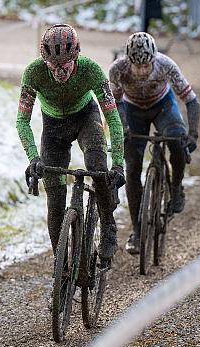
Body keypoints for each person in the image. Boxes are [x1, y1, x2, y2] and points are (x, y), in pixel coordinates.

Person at [16, 24, 125, 264]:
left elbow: (113, 119)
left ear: (76, 56)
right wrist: (34, 158)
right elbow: (22, 121)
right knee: (54, 199)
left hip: (86, 118)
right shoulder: (33, 73)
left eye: (65, 64)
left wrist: (117, 163)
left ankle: (108, 226)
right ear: (44, 60)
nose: (59, 71)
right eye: (53, 65)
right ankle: (61, 266)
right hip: (53, 128)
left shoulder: (91, 70)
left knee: (97, 167)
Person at [109, 32, 200, 254]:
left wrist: (193, 134)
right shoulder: (117, 69)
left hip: (162, 106)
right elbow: (114, 104)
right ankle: (138, 232)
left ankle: (176, 187)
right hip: (131, 110)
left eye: (146, 66)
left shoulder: (166, 65)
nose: (141, 72)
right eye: (136, 66)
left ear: (154, 59)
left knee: (177, 142)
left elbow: (191, 100)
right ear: (127, 60)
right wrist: (123, 128)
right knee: (132, 169)